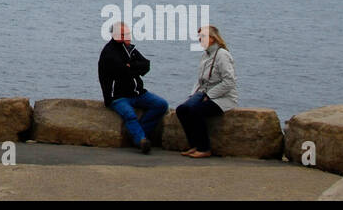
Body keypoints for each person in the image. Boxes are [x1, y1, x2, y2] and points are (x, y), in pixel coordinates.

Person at [98, 21, 168, 154]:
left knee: (161, 105)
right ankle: (141, 140)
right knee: (129, 114)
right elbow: (123, 71)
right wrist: (133, 67)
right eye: (123, 34)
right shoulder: (109, 53)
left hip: (138, 93)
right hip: (117, 96)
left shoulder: (130, 50)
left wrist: (132, 66)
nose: (128, 37)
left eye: (128, 34)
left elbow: (146, 65)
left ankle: (139, 133)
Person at [175, 24, 238, 158]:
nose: (200, 40)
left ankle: (204, 148)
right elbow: (200, 81)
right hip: (204, 94)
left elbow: (229, 82)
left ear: (212, 38)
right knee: (182, 110)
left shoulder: (222, 55)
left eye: (203, 36)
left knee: (196, 111)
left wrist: (209, 95)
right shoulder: (206, 55)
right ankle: (194, 145)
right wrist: (193, 96)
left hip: (223, 98)